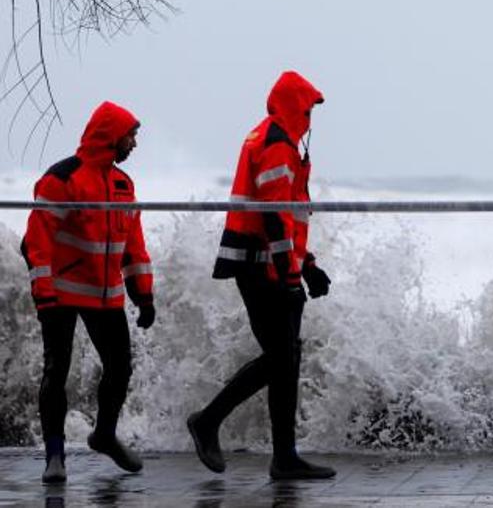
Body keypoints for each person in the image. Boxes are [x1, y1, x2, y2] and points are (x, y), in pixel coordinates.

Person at [187, 71, 334, 480]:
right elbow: (272, 219)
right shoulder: (275, 145)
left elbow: (285, 217)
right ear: (296, 106)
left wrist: (307, 265)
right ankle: (207, 421)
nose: (311, 118)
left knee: (286, 360)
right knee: (281, 358)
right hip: (261, 267)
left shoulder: (275, 140)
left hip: (272, 264)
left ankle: (284, 457)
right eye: (309, 109)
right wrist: (290, 276)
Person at [20, 101, 156, 484]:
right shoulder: (61, 179)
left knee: (120, 367)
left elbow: (134, 246)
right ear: (112, 136)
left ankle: (105, 434)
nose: (134, 144)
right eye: (131, 136)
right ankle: (55, 456)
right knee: (56, 370)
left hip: (105, 295)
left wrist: (143, 294)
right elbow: (37, 242)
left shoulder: (123, 185)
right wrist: (42, 291)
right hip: (59, 293)